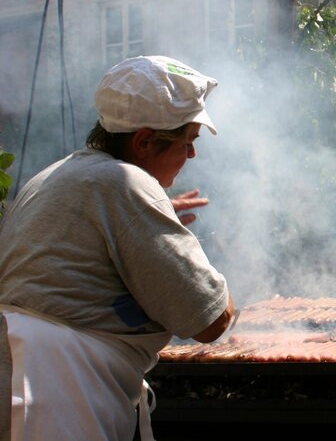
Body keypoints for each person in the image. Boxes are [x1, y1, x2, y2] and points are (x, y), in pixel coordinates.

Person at [0, 55, 235, 441]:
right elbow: (211, 321)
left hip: (21, 379)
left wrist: (148, 217)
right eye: (188, 141)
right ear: (144, 141)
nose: (192, 155)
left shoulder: (57, 175)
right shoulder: (125, 184)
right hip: (56, 390)